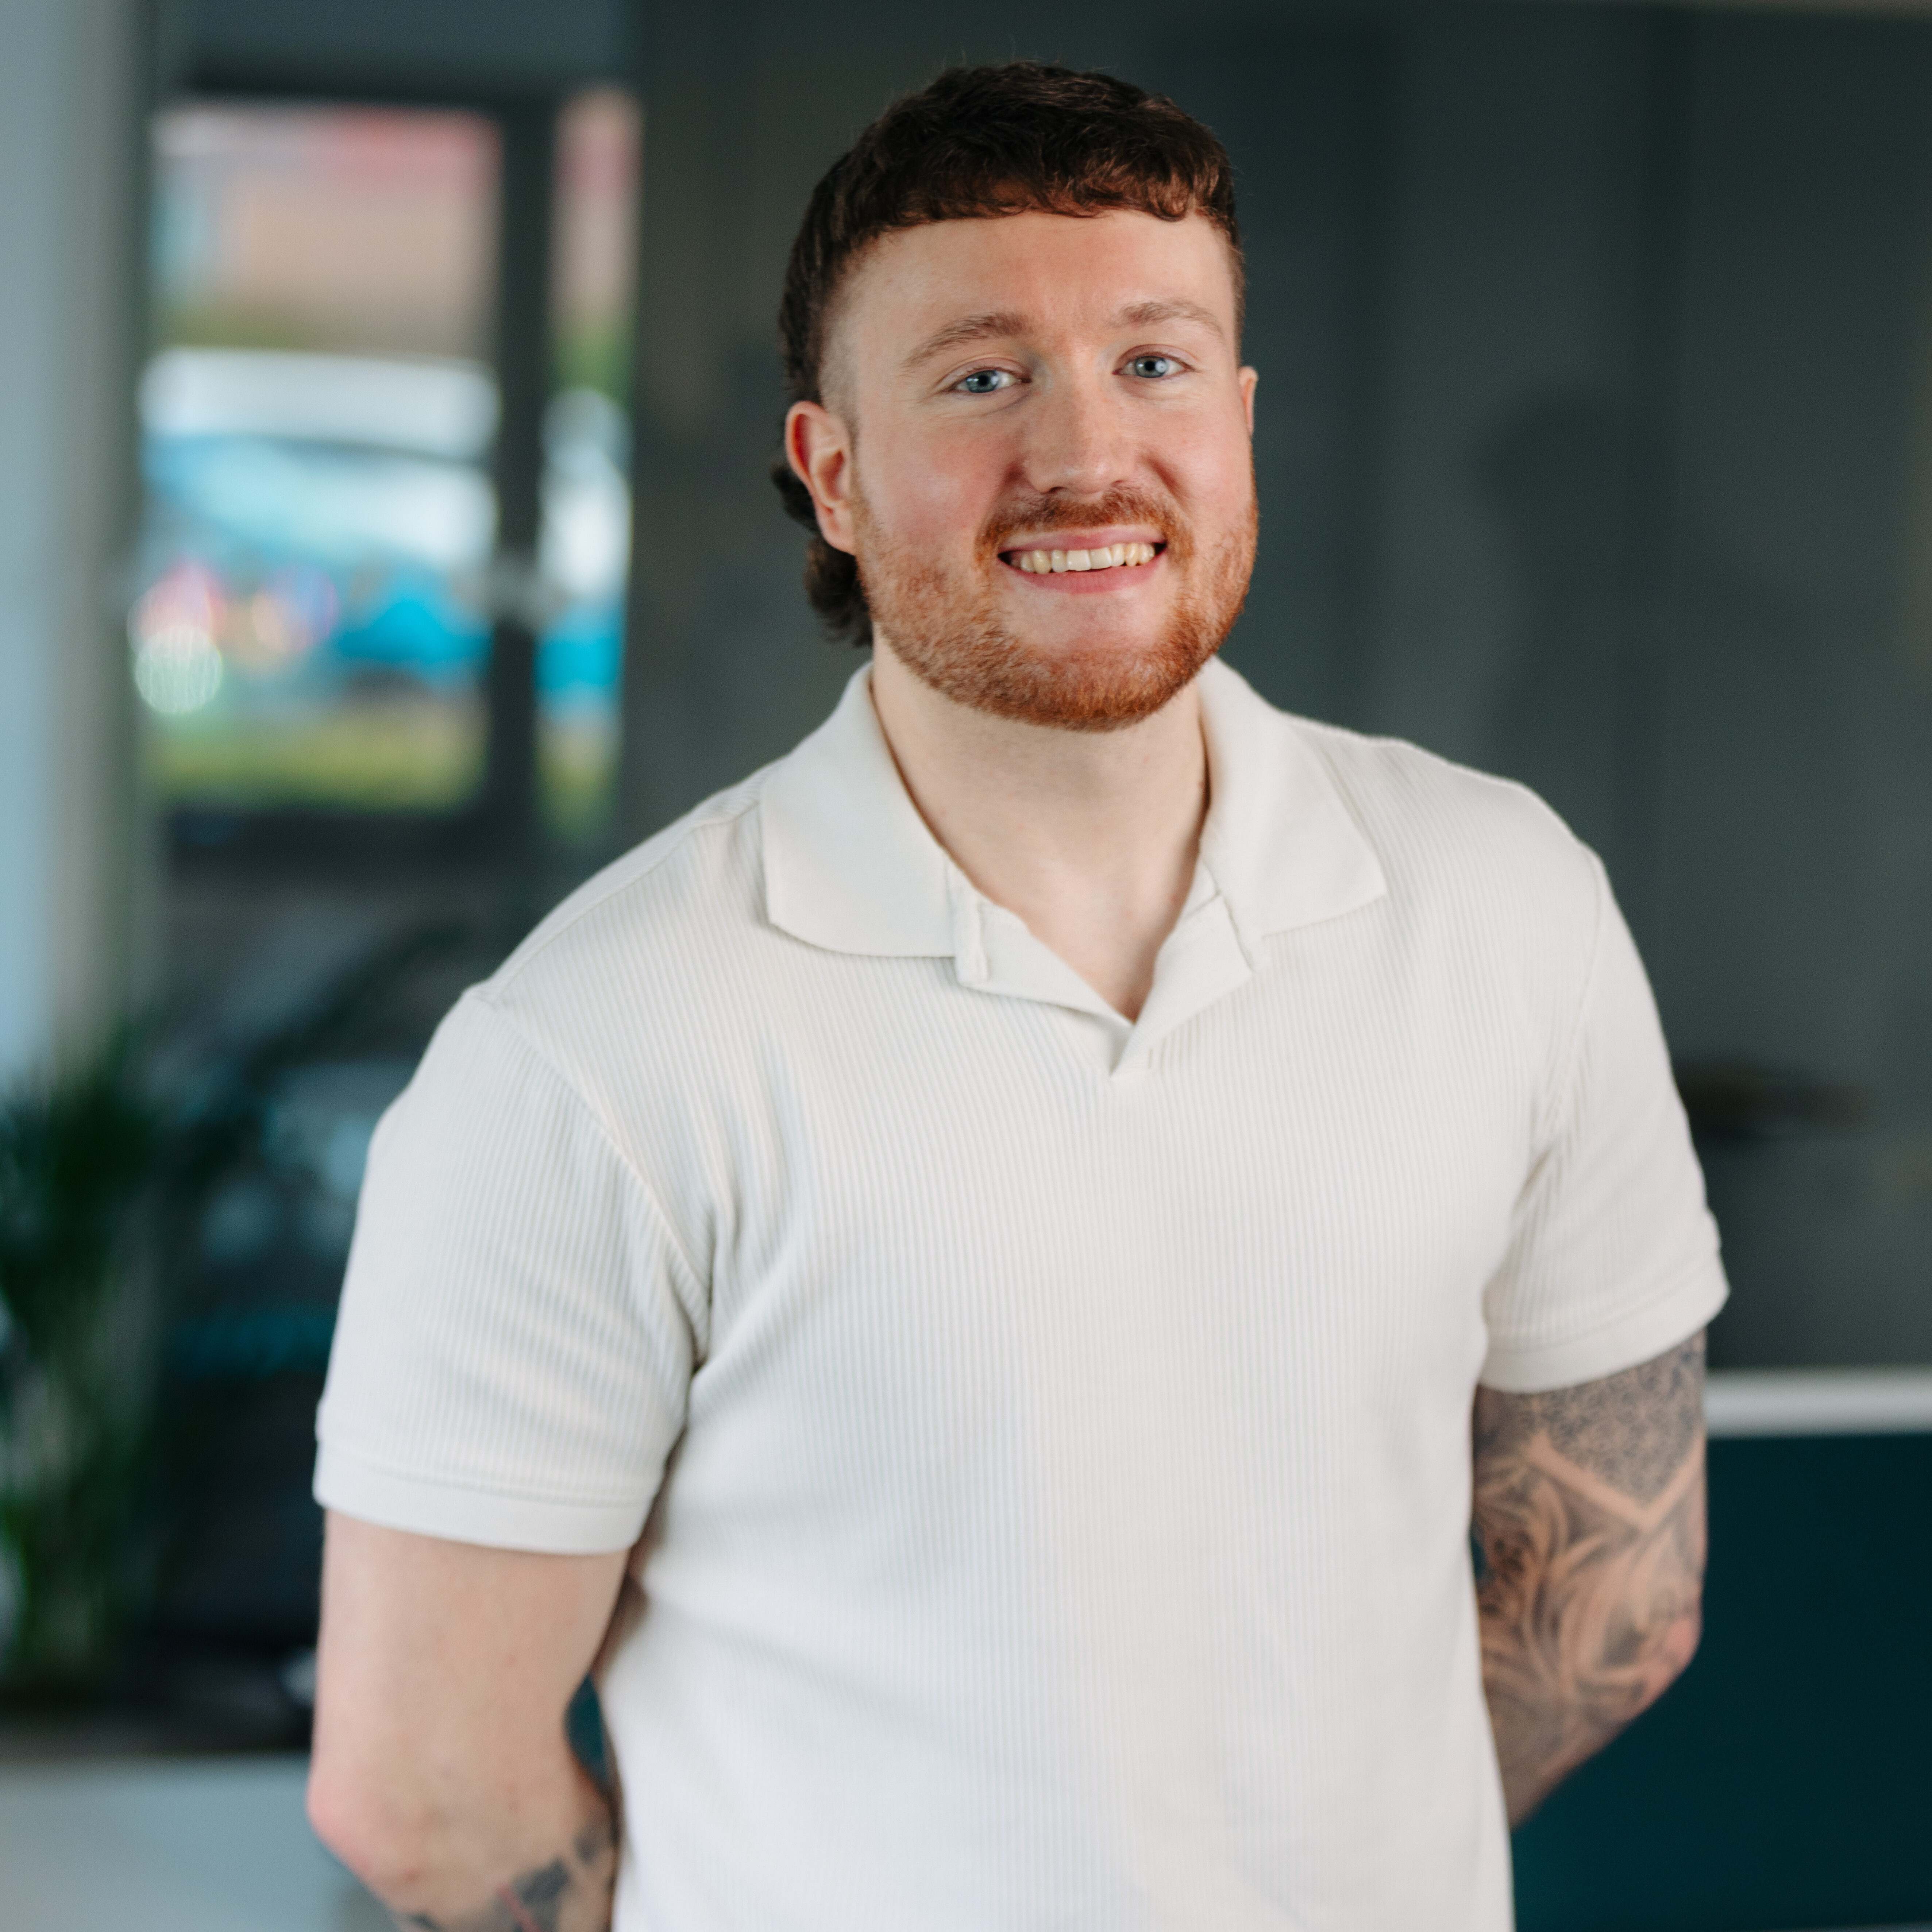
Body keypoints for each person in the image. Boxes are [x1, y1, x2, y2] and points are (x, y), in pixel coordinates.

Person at [307, 62, 1725, 1932]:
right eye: (982, 377)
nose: (1084, 450)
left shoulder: (1504, 902)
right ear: (830, 470)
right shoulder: (594, 1049)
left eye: (1152, 362)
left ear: (1237, 420)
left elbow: (1613, 1602)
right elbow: (424, 1792)